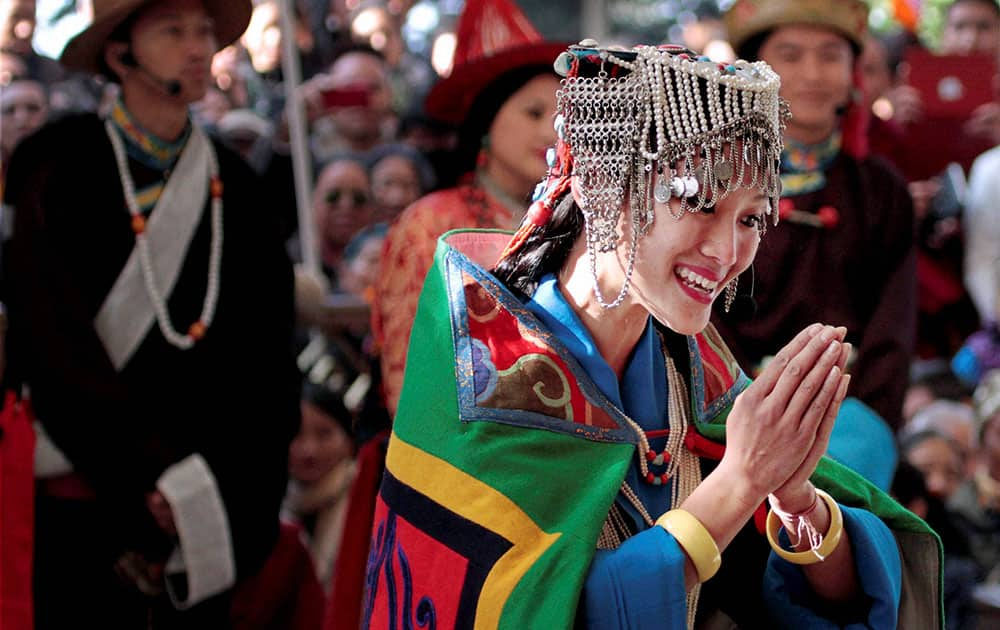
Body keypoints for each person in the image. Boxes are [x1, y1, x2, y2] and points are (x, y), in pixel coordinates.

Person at [363, 40, 942, 628]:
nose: (727, 253)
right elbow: (538, 613)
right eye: (698, 201)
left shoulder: (699, 378)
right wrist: (741, 483)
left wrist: (795, 502)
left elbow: (799, 596)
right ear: (597, 188)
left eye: (749, 218)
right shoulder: (488, 370)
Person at [1, 0, 300, 627]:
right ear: (120, 54)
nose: (198, 48)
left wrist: (213, 480)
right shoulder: (55, 167)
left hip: (206, 497)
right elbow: (52, 342)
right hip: (87, 493)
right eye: (173, 31)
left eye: (204, 32)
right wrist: (148, 470)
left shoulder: (238, 187)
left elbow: (266, 363)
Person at [718, 0, 916, 430]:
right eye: (789, 56)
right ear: (753, 72)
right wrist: (741, 399)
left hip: (853, 412)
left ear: (853, 75)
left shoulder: (881, 189)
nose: (812, 74)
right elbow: (702, 316)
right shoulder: (717, 182)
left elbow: (892, 327)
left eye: (830, 56)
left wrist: (859, 414)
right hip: (731, 407)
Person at [371, 0, 564, 414]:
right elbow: (407, 372)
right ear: (485, 124)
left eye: (563, 115)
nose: (553, 130)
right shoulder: (429, 224)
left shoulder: (578, 224)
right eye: (533, 112)